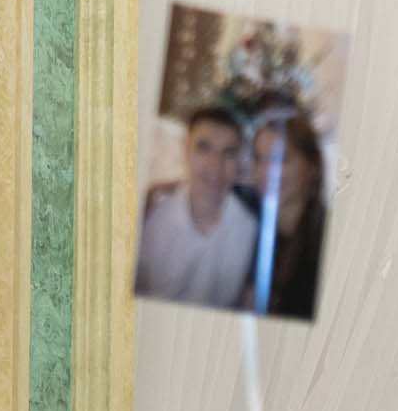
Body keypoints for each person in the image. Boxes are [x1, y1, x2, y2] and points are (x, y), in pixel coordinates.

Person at [134, 106, 260, 310]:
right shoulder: (150, 220)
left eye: (228, 153)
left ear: (239, 160)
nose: (215, 166)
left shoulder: (250, 229)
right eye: (203, 148)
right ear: (186, 151)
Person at [238, 115, 329, 322]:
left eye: (279, 159)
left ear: (313, 167)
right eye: (259, 159)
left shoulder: (327, 240)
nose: (265, 172)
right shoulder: (248, 218)